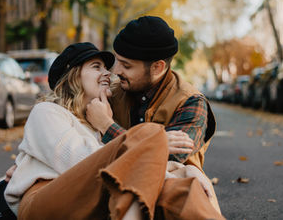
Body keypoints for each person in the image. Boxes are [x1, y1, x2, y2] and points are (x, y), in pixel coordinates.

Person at [2, 42, 223, 219]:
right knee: (148, 136)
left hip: (92, 200)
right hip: (43, 201)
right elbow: (83, 162)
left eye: (106, 67)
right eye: (96, 67)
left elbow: (119, 164)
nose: (109, 73)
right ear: (73, 77)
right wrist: (154, 145)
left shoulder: (96, 122)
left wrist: (187, 172)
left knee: (179, 192)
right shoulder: (46, 112)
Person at [86, 15, 216, 173]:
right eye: (117, 61)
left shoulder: (190, 102)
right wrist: (156, 143)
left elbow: (166, 160)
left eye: (126, 65)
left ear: (157, 68)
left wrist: (107, 126)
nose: (116, 71)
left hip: (171, 192)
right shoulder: (111, 92)